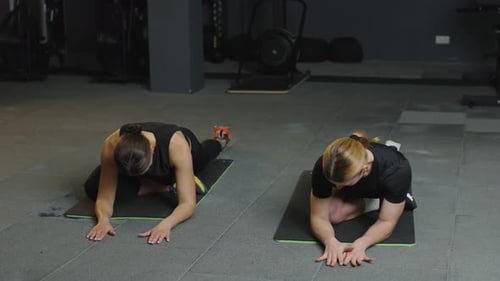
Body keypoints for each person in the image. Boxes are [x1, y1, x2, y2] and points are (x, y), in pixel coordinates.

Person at [84, 122, 231, 244]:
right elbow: (105, 196)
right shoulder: (112, 144)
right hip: (144, 166)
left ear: (152, 149)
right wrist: (103, 220)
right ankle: (164, 186)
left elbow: (188, 204)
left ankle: (219, 140)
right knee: (92, 187)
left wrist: (166, 224)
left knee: (205, 157)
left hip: (182, 160)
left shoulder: (177, 146)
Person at [310, 131, 416, 267]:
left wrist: (362, 243)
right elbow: (318, 217)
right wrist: (329, 240)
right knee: (334, 215)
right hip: (355, 180)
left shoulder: (397, 170)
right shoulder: (325, 165)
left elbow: (386, 222)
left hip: (380, 185)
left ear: (365, 170)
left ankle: (379, 198)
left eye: (341, 183)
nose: (336, 187)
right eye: (334, 182)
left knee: (390, 200)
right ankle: (370, 201)